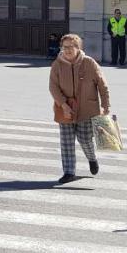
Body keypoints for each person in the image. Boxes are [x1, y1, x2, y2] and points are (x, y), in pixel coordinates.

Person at [49, 33, 111, 184]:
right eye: (65, 47)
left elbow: (102, 85)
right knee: (67, 142)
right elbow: (53, 87)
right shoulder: (57, 64)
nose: (68, 50)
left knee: (85, 140)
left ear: (78, 48)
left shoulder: (89, 63)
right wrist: (63, 105)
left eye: (71, 47)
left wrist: (106, 105)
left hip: (86, 109)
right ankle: (69, 172)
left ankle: (92, 158)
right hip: (65, 109)